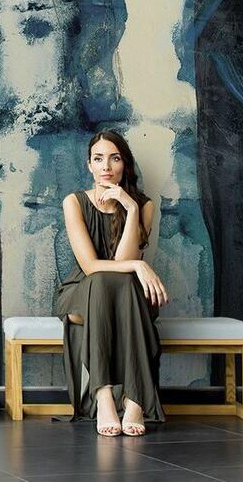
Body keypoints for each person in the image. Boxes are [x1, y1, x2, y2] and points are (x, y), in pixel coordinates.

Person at [56, 130, 168, 436]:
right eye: (98, 159)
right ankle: (104, 396)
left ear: (125, 164)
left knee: (119, 281)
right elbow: (90, 266)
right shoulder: (74, 202)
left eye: (114, 158)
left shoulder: (143, 206)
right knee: (102, 279)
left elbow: (122, 260)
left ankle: (134, 401)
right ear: (89, 165)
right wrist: (138, 264)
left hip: (128, 295)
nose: (106, 166)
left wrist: (130, 208)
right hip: (82, 291)